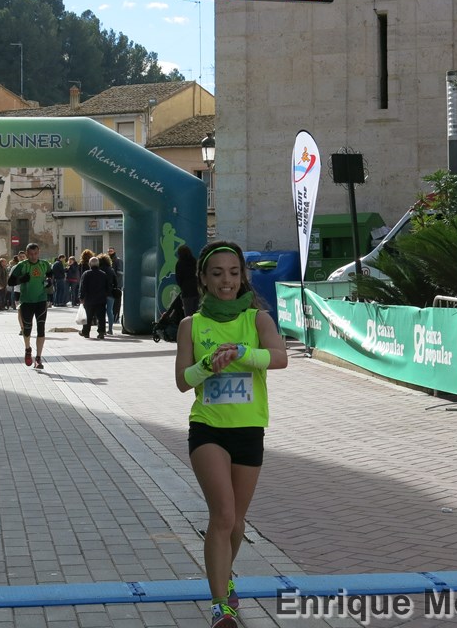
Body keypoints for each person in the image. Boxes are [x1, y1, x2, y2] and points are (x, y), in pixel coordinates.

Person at [174, 241, 288, 628]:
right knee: (222, 515)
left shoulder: (258, 320)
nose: (227, 281)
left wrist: (241, 352)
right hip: (207, 429)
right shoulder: (191, 325)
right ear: (203, 279)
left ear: (243, 277)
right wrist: (207, 364)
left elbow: (280, 358)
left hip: (248, 431)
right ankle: (220, 604)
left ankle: (225, 576)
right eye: (218, 273)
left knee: (237, 523)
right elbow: (183, 382)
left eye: (234, 273)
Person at [8, 243, 54, 369]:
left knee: (41, 328)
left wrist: (49, 281)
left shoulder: (44, 264)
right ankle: (28, 349)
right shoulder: (21, 265)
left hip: (41, 300)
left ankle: (38, 358)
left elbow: (50, 274)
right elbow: (10, 282)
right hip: (26, 301)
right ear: (27, 254)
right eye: (31, 254)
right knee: (27, 329)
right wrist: (21, 279)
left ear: (39, 252)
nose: (33, 256)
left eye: (36, 253)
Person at [78, 256, 110, 339]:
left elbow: (83, 286)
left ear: (90, 264)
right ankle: (101, 332)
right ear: (98, 264)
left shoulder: (86, 274)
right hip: (101, 299)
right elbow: (107, 287)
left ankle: (86, 332)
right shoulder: (103, 274)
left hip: (89, 299)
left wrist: (81, 297)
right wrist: (106, 295)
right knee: (101, 317)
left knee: (88, 317)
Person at [176, 244, 200, 319]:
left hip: (186, 291)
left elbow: (179, 278)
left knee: (188, 315)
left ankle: (189, 326)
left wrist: (182, 287)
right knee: (196, 313)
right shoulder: (194, 261)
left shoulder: (179, 263)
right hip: (196, 290)